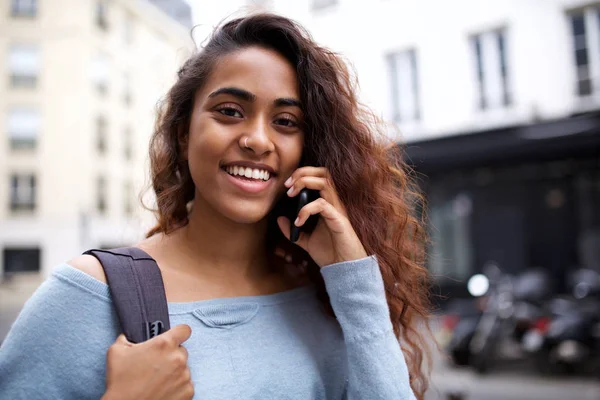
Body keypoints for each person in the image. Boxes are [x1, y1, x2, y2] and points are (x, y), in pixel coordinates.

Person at [0, 13, 431, 400]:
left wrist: (354, 279)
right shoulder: (87, 295)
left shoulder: (324, 296)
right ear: (184, 132)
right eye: (229, 111)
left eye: (285, 122)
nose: (258, 140)